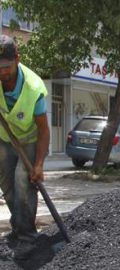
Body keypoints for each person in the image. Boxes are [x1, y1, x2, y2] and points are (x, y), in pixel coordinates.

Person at [0, 35, 50, 259]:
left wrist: (38, 164)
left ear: (17, 59)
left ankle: (28, 238)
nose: (2, 73)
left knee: (23, 181)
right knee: (7, 185)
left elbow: (44, 130)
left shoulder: (34, 88)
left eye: (6, 67)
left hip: (31, 139)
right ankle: (17, 228)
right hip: (4, 137)